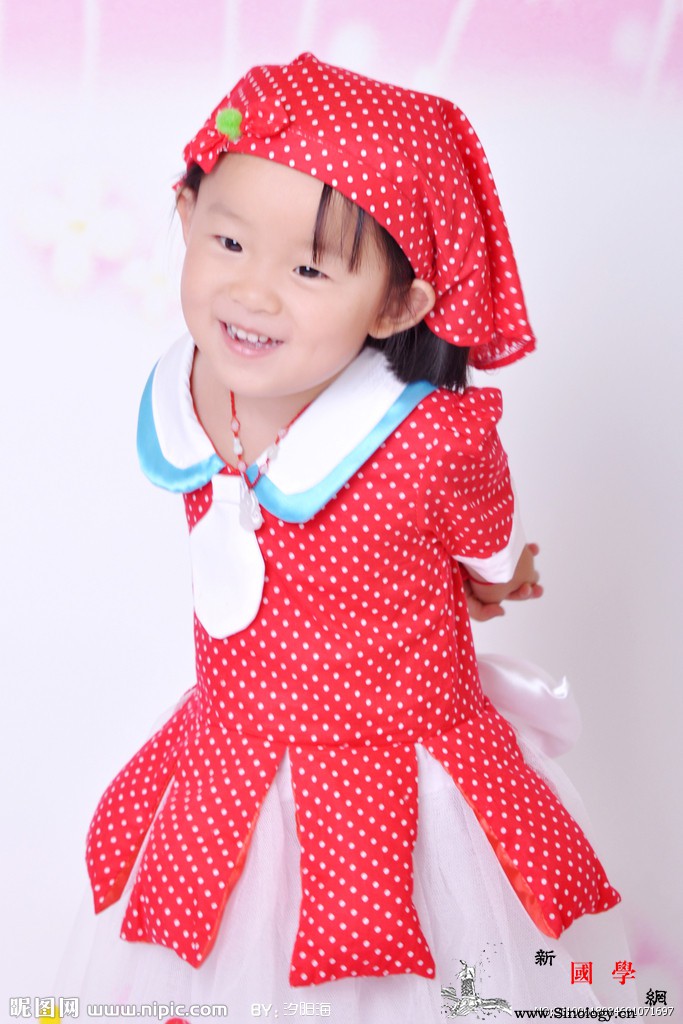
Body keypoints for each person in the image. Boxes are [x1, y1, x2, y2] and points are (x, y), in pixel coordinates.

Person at [61, 53, 630, 1022]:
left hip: (400, 770)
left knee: (415, 971)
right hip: (233, 758)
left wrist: (499, 571)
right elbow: (490, 553)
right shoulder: (184, 390)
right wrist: (498, 575)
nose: (253, 293)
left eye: (308, 268)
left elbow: (487, 539)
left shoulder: (429, 436)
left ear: (400, 304)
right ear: (186, 213)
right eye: (228, 240)